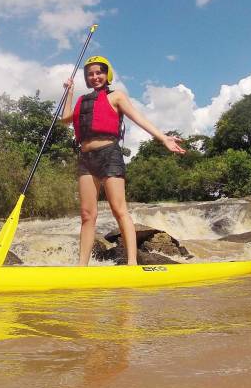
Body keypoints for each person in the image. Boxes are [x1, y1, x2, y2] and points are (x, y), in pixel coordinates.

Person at [60, 55, 185, 266]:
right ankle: (82, 266)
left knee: (119, 210)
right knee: (87, 214)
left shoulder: (116, 96)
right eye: (90, 74)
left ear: (106, 74)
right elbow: (65, 120)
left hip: (109, 154)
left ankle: (132, 263)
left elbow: (139, 118)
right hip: (86, 158)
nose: (95, 76)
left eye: (99, 72)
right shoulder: (82, 100)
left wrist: (163, 138)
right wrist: (69, 93)